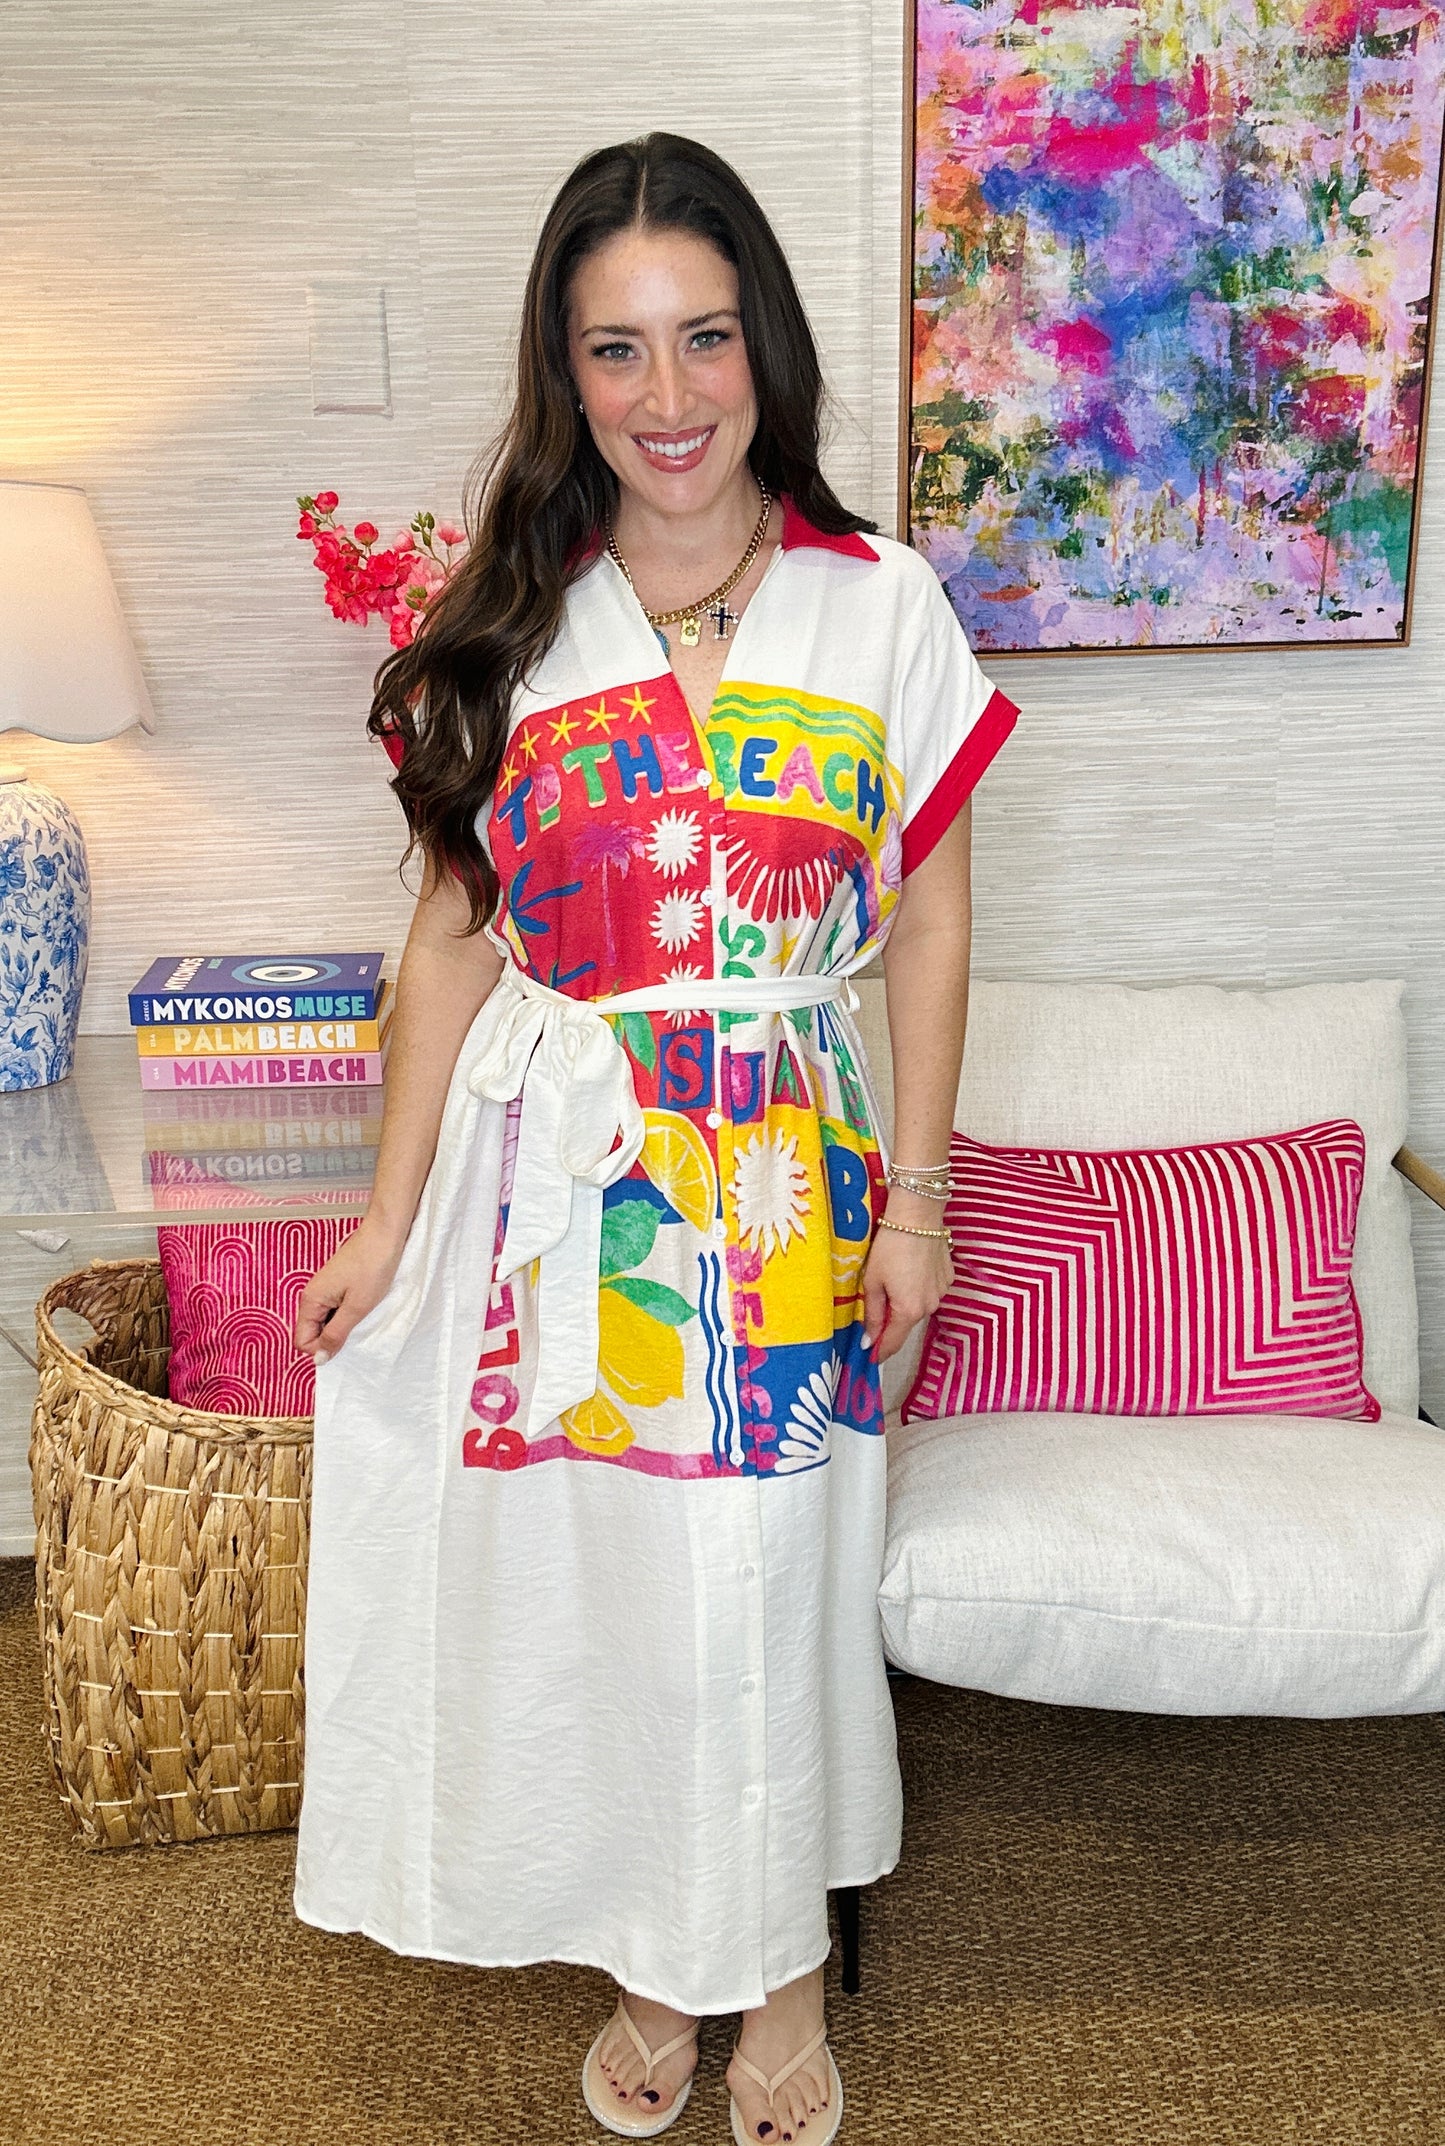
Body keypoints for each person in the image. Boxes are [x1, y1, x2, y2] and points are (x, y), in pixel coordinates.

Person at [291, 131, 1017, 2145]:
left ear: (764, 345)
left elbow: (930, 917)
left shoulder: (879, 607)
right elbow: (451, 936)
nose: (669, 394)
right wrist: (388, 1211)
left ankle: (777, 1971)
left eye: (706, 337)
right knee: (607, 1588)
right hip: (567, 1183)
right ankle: (649, 1954)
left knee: (771, 1583)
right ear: (567, 372)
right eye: (617, 349)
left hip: (786, 1183)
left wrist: (921, 1200)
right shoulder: (520, 622)